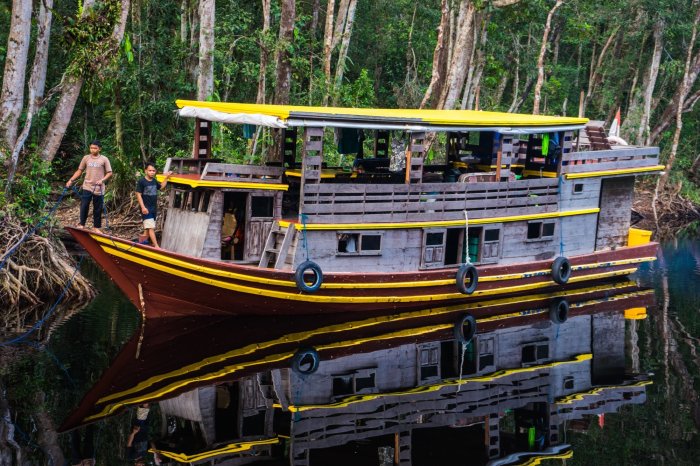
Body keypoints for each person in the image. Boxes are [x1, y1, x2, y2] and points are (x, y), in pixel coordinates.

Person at [66, 140, 113, 232]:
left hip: (99, 187)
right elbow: (79, 170)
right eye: (91, 148)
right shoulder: (86, 158)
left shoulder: (104, 159)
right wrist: (71, 180)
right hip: (87, 186)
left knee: (97, 208)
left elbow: (109, 172)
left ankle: (96, 227)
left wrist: (102, 180)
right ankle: (82, 224)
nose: (93, 150)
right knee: (84, 205)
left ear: (99, 149)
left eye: (95, 148)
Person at [135, 162, 172, 248]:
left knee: (147, 228)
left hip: (153, 208)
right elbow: (138, 194)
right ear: (146, 171)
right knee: (151, 227)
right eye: (150, 170)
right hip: (146, 208)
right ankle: (156, 246)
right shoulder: (141, 181)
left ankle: (142, 243)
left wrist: (166, 178)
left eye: (153, 171)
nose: (152, 172)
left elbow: (161, 187)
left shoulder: (154, 181)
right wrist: (143, 207)